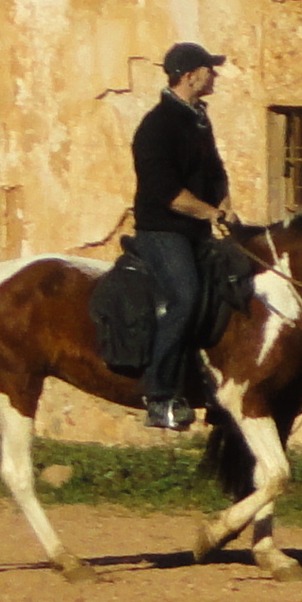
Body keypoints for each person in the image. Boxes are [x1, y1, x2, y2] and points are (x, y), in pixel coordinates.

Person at [126, 42, 234, 432]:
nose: (215, 75)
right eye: (210, 69)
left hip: (196, 228)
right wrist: (211, 212)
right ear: (190, 75)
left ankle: (209, 381)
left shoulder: (198, 120)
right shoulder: (156, 127)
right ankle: (159, 395)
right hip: (163, 230)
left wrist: (226, 205)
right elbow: (166, 194)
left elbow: (216, 172)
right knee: (185, 295)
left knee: (231, 287)